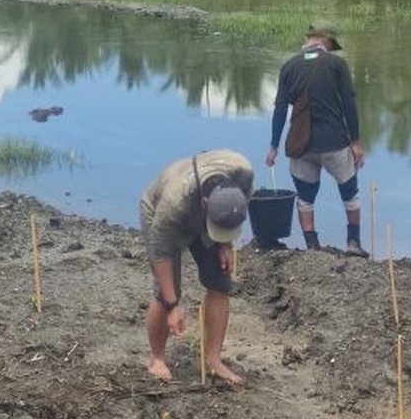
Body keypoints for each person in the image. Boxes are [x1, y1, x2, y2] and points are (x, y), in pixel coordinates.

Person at [140, 149, 252, 386]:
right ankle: (157, 359)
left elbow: (233, 214)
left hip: (210, 214)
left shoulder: (243, 174)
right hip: (159, 214)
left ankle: (213, 360)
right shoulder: (173, 203)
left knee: (221, 282)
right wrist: (173, 305)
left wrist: (224, 243)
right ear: (204, 204)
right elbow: (160, 256)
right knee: (165, 293)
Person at [265, 23, 367, 256]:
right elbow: (349, 103)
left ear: (308, 40)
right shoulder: (337, 64)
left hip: (300, 145)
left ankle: (312, 248)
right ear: (327, 43)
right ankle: (353, 243)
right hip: (335, 142)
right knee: (350, 194)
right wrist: (356, 142)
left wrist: (273, 146)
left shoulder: (289, 66)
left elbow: (280, 109)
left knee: (305, 198)